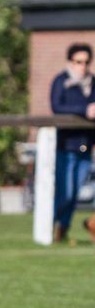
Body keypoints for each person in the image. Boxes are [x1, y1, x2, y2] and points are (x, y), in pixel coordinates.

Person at [50, 43, 95, 244]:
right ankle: (51, 225)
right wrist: (85, 109)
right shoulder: (61, 81)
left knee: (75, 193)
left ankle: (62, 229)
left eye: (86, 62)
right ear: (70, 62)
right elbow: (57, 106)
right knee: (65, 192)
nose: (82, 66)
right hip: (66, 145)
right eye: (78, 62)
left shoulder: (92, 82)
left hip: (86, 146)